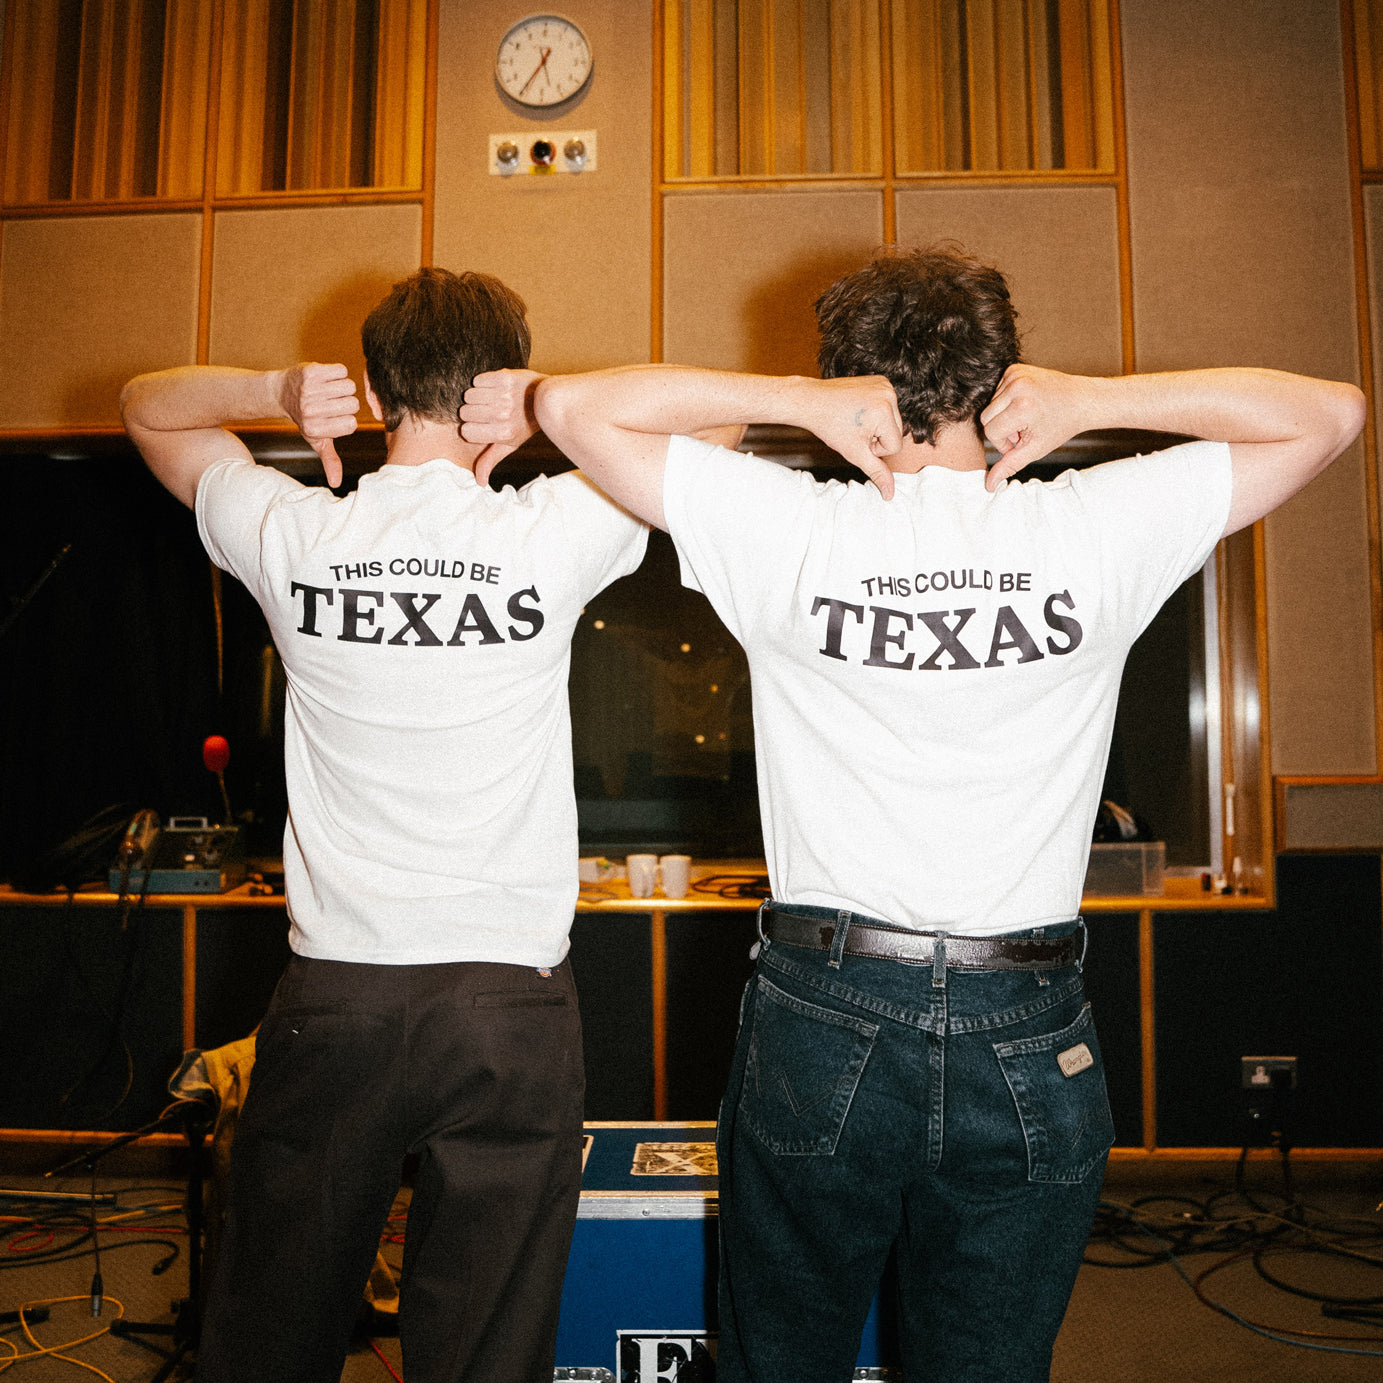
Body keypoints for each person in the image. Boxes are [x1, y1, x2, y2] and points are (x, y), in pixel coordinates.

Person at [458, 244, 1366, 1383]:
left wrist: (790, 404)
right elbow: (1330, 413)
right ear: (996, 376)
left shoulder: (789, 522)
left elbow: (579, 408)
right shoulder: (1093, 522)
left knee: (779, 1363)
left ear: (856, 382)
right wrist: (1104, 401)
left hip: (827, 1009)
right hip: (1027, 1022)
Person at [120, 268, 652, 1383]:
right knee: (486, 1356)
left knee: (270, 1339)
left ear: (369, 385)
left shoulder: (293, 532)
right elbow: (719, 422)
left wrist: (272, 390)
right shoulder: (561, 525)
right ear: (499, 385)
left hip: (342, 999)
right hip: (509, 1003)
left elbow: (147, 405)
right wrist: (553, 401)